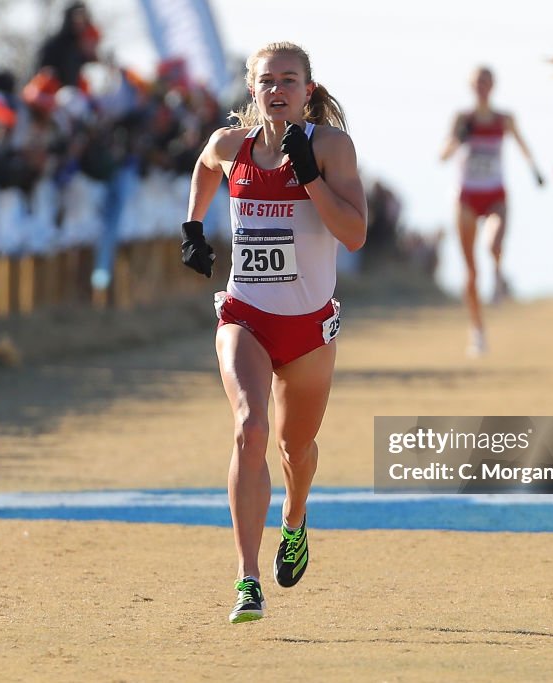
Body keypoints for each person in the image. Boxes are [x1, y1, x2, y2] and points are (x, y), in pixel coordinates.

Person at [179, 41, 366, 623]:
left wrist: (308, 176)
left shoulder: (331, 147)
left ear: (307, 90)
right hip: (246, 318)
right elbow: (205, 167)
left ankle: (295, 517)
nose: (278, 89)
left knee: (296, 448)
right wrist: (192, 226)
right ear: (253, 89)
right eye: (267, 81)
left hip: (309, 330)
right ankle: (247, 579)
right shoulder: (230, 144)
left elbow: (355, 234)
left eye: (289, 80)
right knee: (249, 427)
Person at [439, 65, 545, 357]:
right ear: (471, 86)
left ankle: (498, 276)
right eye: (477, 82)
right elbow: (443, 155)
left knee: (495, 243)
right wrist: (459, 137)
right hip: (467, 196)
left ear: (493, 85)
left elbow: (523, 145)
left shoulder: (504, 119)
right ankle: (477, 330)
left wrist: (535, 171)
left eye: (486, 81)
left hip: (495, 193)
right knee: (471, 271)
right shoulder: (463, 118)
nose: (482, 87)